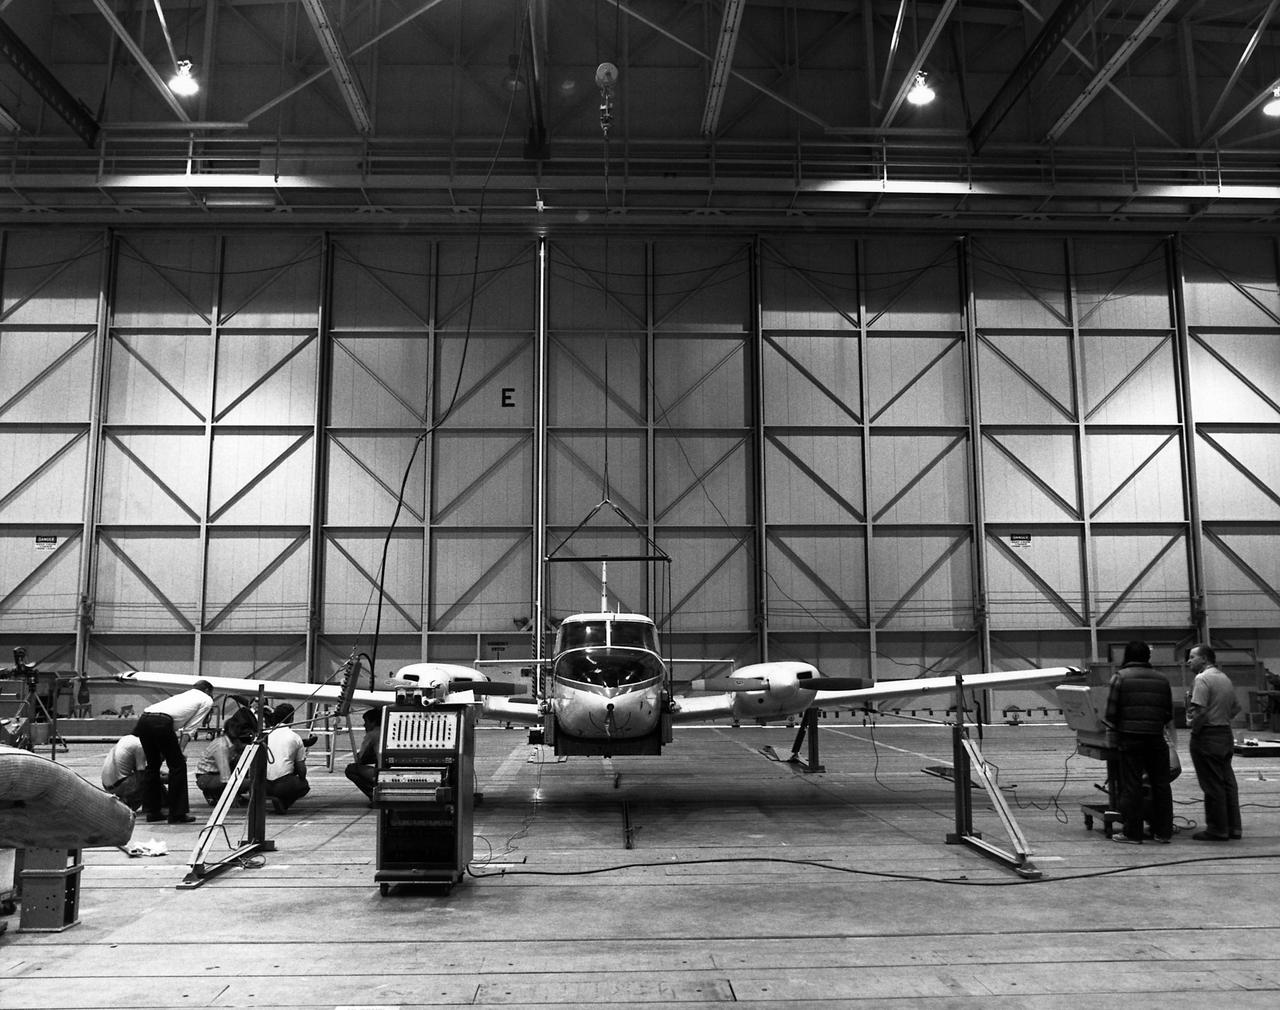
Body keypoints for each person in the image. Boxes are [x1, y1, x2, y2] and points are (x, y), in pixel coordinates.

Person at [1104, 641, 1174, 844]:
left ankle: (1132, 833)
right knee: (1161, 785)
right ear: (1147, 657)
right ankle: (1163, 832)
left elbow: (1111, 712)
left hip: (1130, 738)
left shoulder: (1120, 677)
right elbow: (1168, 712)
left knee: (1131, 785)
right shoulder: (1162, 679)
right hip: (1156, 738)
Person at [134, 680, 214, 824]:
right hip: (161, 722)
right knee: (178, 766)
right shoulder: (206, 700)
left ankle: (152, 812)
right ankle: (177, 814)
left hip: (145, 718)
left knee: (152, 766)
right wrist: (180, 750)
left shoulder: (185, 695)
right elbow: (190, 728)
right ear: (208, 691)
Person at [1186, 643, 1242, 841]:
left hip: (1208, 736)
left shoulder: (1202, 679)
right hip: (1225, 734)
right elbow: (1236, 707)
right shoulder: (1224, 678)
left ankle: (1217, 829)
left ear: (1204, 659)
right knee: (1227, 783)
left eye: (1192, 657)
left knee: (1212, 784)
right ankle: (1234, 827)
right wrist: (1221, 717)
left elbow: (1199, 711)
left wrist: (1195, 729)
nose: (1188, 661)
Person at [195, 718, 252, 806]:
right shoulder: (221, 746)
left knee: (240, 761)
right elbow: (226, 777)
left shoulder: (231, 741)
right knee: (251, 782)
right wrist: (233, 797)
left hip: (214, 774)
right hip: (206, 777)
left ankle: (218, 794)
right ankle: (217, 793)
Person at [264, 703, 310, 814]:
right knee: (304, 785)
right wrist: (301, 777)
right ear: (291, 718)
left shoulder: (264, 735)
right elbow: (301, 769)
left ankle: (274, 798)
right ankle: (283, 802)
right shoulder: (294, 737)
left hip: (262, 784)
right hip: (283, 785)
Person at [100, 733, 148, 811]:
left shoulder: (127, 738)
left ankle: (126, 798)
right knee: (150, 778)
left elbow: (136, 768)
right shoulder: (140, 746)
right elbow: (141, 774)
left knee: (149, 775)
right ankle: (128, 803)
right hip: (120, 784)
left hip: (107, 784)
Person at [344, 707, 382, 801]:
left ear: (373, 722)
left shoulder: (372, 734)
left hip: (382, 774)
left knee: (351, 769)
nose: (364, 725)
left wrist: (360, 755)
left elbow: (361, 759)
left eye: (366, 722)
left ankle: (373, 795)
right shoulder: (385, 731)